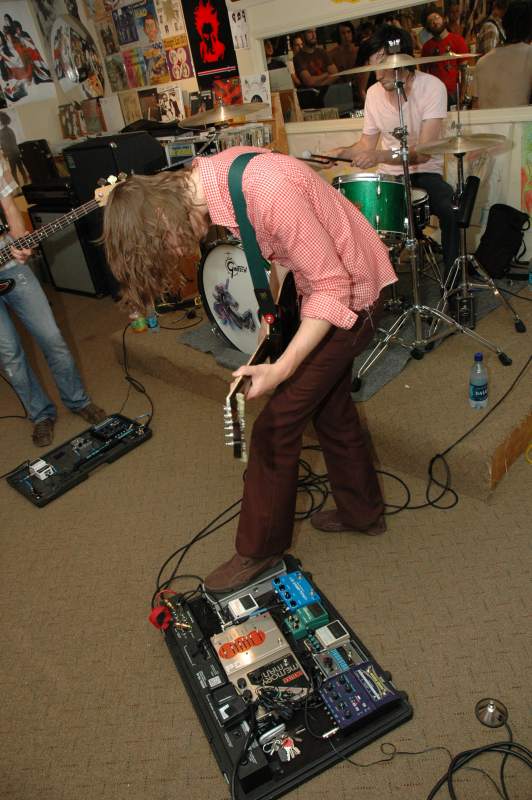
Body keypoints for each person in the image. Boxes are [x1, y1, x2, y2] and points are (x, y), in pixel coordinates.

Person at [101, 146, 397, 592]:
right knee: (331, 410)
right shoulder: (217, 179)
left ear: (161, 219)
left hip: (353, 296)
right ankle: (364, 513)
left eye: (170, 246)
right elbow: (280, 250)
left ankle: (259, 551)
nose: (182, 252)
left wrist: (281, 370)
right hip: (319, 283)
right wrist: (269, 328)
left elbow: (333, 287)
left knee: (275, 427)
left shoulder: (265, 186)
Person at [334, 25, 459, 276]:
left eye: (381, 64)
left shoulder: (432, 87)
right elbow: (365, 146)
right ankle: (374, 287)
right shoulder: (373, 93)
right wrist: (340, 153)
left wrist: (377, 155)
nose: (377, 75)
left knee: (451, 209)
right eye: (372, 67)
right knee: (347, 213)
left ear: (400, 58)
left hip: (424, 173)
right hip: (389, 178)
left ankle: (453, 284)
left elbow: (423, 152)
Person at [0, 155, 107, 446]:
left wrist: (19, 241)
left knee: (52, 338)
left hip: (9, 265)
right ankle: (40, 415)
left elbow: (9, 205)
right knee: (10, 357)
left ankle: (78, 401)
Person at [472, 0, 532, 108]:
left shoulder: (483, 62)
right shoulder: (529, 54)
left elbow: (475, 105)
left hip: (486, 123)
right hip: (520, 123)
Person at [421, 5, 469, 107]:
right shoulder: (426, 47)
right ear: (427, 28)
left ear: (443, 19)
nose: (434, 22)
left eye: (436, 18)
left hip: (454, 93)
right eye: (430, 22)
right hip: (434, 94)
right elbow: (423, 74)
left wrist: (462, 94)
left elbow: (464, 71)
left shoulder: (458, 40)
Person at [0, 112, 28, 185]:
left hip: (11, 153)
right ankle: (25, 182)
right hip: (15, 152)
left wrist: (5, 153)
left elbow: (4, 145)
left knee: (14, 170)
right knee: (20, 168)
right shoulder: (9, 130)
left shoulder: (2, 132)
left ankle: (19, 186)